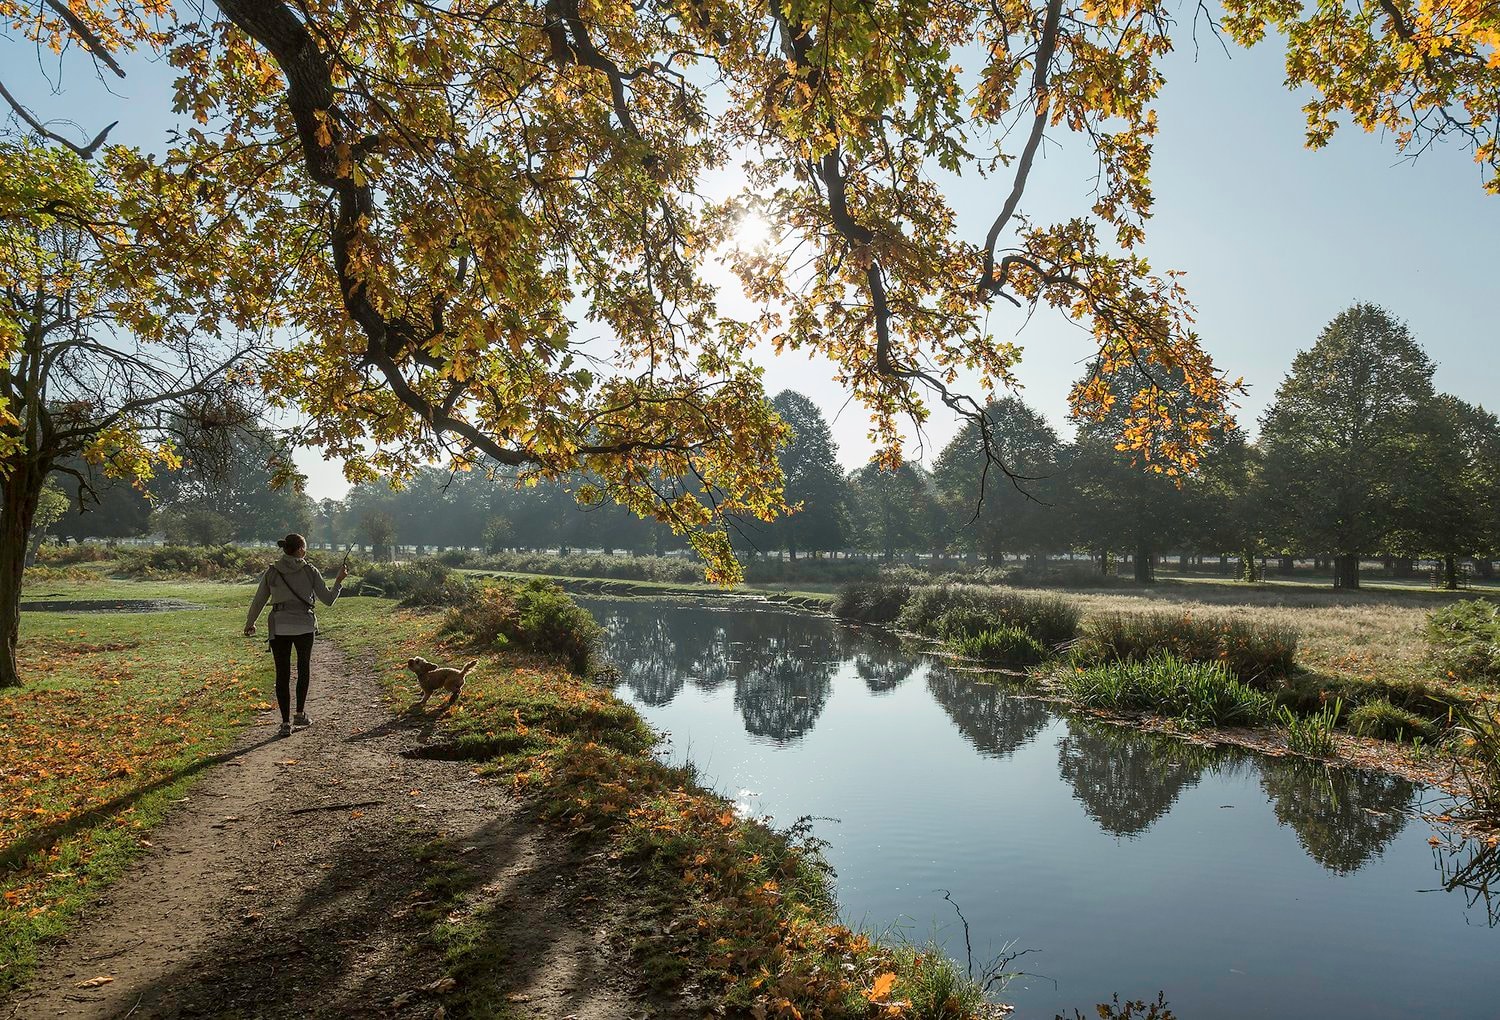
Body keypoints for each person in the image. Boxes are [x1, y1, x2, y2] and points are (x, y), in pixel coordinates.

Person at [244, 534, 348, 737]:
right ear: (300, 549)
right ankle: (300, 714)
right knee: (303, 669)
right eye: (305, 547)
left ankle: (285, 723)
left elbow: (259, 600)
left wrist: (250, 623)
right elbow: (328, 600)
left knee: (282, 674)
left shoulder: (272, 572)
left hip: (279, 626)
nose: (306, 551)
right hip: (304, 626)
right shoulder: (310, 571)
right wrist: (338, 580)